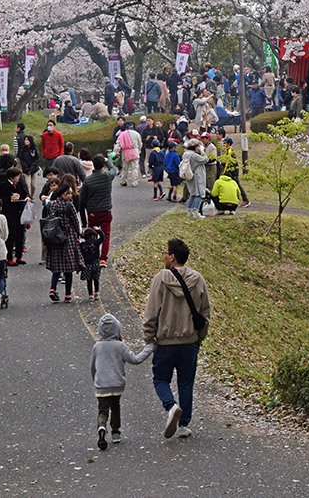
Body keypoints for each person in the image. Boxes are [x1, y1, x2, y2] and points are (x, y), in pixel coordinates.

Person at [142, 237, 210, 440]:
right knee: (186, 383)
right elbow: (204, 311)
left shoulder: (160, 279)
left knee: (160, 379)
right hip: (189, 342)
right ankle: (184, 425)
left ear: (172, 257)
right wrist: (200, 337)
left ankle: (171, 406)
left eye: (165, 252)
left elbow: (151, 312)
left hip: (165, 342)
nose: (163, 256)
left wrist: (149, 338)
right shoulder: (197, 279)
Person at [90, 313, 154, 449]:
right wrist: (149, 348)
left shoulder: (97, 347)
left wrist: (95, 380)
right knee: (115, 407)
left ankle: (101, 428)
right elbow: (135, 360)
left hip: (102, 385)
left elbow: (93, 367)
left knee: (102, 411)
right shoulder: (120, 346)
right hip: (117, 384)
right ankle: (116, 433)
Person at [44, 183, 84, 303]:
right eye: (68, 193)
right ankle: (67, 295)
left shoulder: (51, 204)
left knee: (56, 266)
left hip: (54, 237)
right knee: (68, 268)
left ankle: (52, 289)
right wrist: (78, 234)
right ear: (62, 194)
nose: (70, 195)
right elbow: (75, 222)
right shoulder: (69, 205)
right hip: (68, 237)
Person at [0, 166, 30, 265]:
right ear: (11, 177)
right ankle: (9, 257)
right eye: (17, 176)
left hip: (20, 212)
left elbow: (26, 193)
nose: (18, 178)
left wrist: (27, 197)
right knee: (10, 236)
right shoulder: (3, 185)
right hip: (9, 213)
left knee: (20, 235)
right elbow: (0, 198)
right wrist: (10, 198)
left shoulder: (20, 184)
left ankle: (19, 256)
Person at [81, 155, 114, 265]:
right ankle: (103, 258)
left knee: (92, 234)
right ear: (103, 165)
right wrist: (107, 161)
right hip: (106, 210)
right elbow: (113, 170)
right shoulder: (107, 176)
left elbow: (83, 198)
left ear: (93, 165)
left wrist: (88, 209)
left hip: (93, 212)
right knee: (106, 235)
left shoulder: (88, 181)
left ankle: (91, 255)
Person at [181, 139, 210, 219]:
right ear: (196, 147)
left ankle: (189, 211)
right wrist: (202, 151)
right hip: (198, 176)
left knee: (193, 194)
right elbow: (205, 159)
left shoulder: (185, 154)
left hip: (190, 175)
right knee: (200, 194)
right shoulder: (195, 156)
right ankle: (196, 211)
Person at [218, 137, 250, 206]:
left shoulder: (230, 151)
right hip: (230, 170)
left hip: (233, 170)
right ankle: (236, 199)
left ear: (228, 144)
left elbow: (227, 162)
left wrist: (223, 171)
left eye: (225, 143)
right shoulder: (226, 150)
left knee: (237, 185)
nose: (224, 144)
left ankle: (245, 200)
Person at [80, 227, 106, 301]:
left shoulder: (82, 245)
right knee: (96, 279)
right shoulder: (96, 243)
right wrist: (99, 230)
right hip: (96, 264)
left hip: (87, 265)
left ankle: (90, 294)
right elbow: (103, 237)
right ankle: (97, 292)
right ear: (92, 236)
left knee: (89, 280)